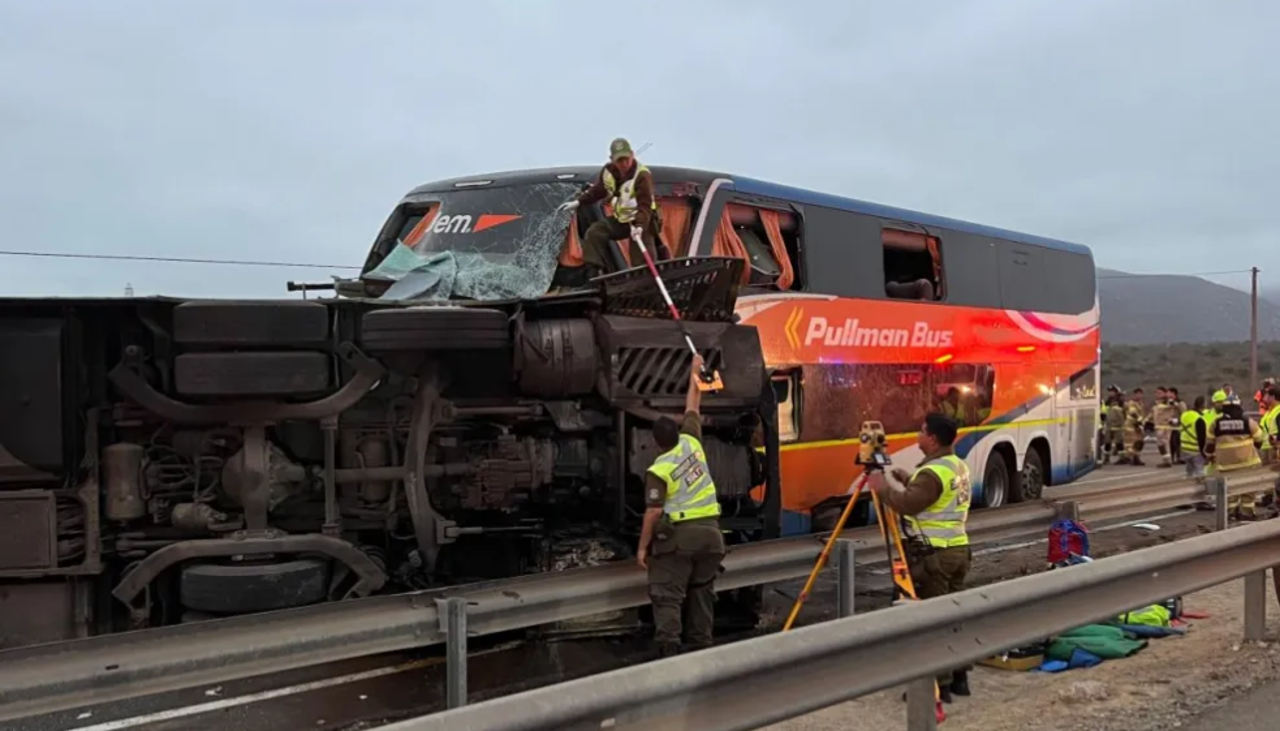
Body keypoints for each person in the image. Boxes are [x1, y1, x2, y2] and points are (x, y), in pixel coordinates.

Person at [870, 413, 972, 703]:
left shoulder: (931, 473)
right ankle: (959, 677)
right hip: (958, 549)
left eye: (922, 431)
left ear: (933, 439)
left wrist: (883, 489)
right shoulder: (956, 465)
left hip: (934, 556)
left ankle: (935, 688)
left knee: (931, 621)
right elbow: (935, 495)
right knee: (953, 617)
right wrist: (910, 479)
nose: (918, 435)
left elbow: (908, 504)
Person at [637, 353, 724, 659]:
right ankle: (702, 649)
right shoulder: (692, 442)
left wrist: (642, 548)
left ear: (656, 442)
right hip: (713, 537)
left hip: (682, 538)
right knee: (701, 592)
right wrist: (693, 372)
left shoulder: (659, 469)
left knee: (667, 594)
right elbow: (693, 405)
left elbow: (654, 512)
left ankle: (669, 652)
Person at [557, 138, 665, 282]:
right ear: (612, 160)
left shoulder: (642, 175)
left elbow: (645, 205)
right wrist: (578, 201)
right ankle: (595, 274)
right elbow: (598, 191)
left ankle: (647, 287)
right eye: (620, 160)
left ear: (632, 155)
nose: (624, 164)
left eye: (627, 159)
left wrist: (639, 226)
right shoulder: (608, 172)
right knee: (595, 232)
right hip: (622, 219)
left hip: (643, 221)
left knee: (641, 261)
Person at [1205, 393, 1265, 520]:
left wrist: (1209, 455)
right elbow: (1260, 439)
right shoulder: (1247, 420)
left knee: (1230, 492)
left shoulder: (1216, 423)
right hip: (1248, 463)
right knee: (1248, 490)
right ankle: (1247, 513)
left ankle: (1231, 513)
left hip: (1226, 465)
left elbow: (1209, 444)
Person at [1180, 396, 1209, 482]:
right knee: (1200, 473)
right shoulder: (1199, 419)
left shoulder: (1185, 415)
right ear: (1203, 405)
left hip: (1184, 448)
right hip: (1195, 449)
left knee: (1189, 472)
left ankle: (1187, 488)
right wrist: (1204, 454)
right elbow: (1201, 437)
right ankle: (1200, 491)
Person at [1151, 387, 1179, 468]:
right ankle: (1165, 459)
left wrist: (1171, 402)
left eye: (1160, 393)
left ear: (1165, 393)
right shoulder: (1156, 404)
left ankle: (1168, 461)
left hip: (1165, 427)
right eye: (1156, 393)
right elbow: (1153, 413)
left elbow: (1175, 405)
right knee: (1160, 444)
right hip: (1158, 426)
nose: (1157, 394)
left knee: (1165, 443)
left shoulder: (1168, 402)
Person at [1123, 388, 1147, 466]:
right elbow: (1132, 412)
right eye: (1137, 394)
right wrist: (1138, 419)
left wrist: (1142, 422)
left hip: (1138, 426)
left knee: (1139, 442)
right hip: (1131, 426)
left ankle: (1136, 458)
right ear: (1134, 394)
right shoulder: (1131, 403)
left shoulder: (1141, 403)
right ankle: (1131, 458)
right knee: (1131, 443)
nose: (1139, 396)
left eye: (1140, 394)